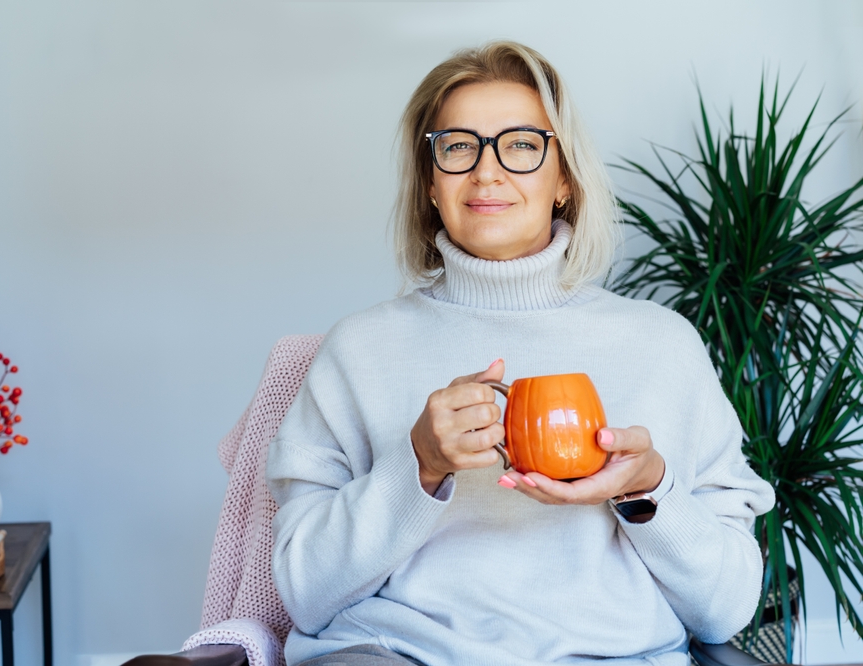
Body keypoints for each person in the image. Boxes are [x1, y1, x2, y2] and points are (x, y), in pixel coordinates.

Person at [265, 41, 774, 666]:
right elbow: (304, 594)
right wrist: (419, 463)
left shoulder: (662, 346)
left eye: (522, 145)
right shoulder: (360, 349)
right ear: (430, 182)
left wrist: (648, 488)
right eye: (458, 146)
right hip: (396, 653)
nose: (486, 172)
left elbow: (727, 607)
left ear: (564, 178)